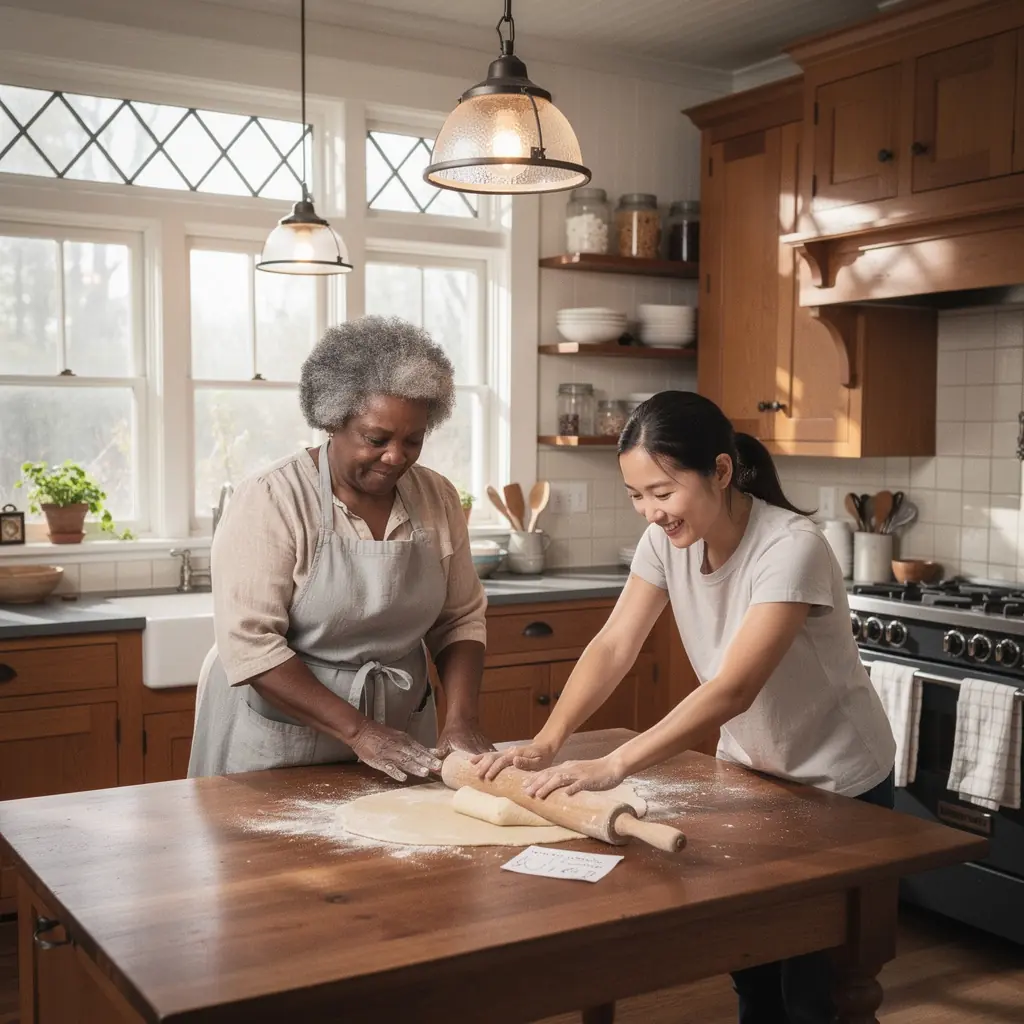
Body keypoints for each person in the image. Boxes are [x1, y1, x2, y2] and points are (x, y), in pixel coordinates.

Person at [474, 390, 896, 1024]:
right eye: (637, 495)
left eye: (663, 492)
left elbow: (734, 688)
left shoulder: (792, 547)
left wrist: (614, 765)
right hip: (754, 777)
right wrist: (548, 739)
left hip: (837, 785)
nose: (650, 512)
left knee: (812, 995)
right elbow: (616, 644)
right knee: (752, 976)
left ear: (721, 471)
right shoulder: (666, 543)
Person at [188, 316, 492, 782]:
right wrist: (361, 732)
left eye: (413, 440)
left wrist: (461, 719)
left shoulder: (438, 498)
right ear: (332, 419)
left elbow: (459, 620)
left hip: (401, 735)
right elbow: (251, 645)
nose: (396, 456)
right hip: (280, 738)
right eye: (377, 439)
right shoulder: (273, 499)